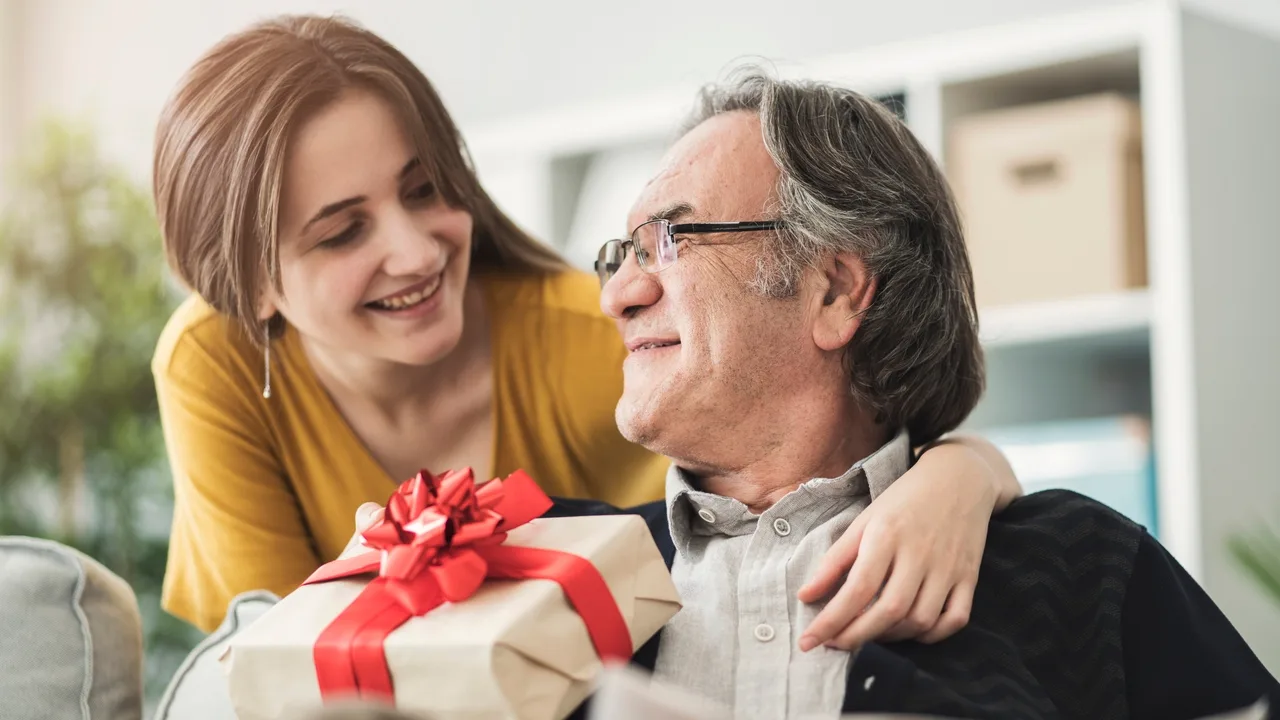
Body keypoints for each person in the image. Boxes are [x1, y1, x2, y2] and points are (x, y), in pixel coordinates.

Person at [149, 13, 1023, 640]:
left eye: (424, 190)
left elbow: (824, 441)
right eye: (343, 231)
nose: (414, 251)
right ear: (252, 284)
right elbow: (267, 659)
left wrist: (961, 469)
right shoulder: (213, 362)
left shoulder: (596, 332)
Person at [527, 69, 1277, 718]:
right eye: (618, 254)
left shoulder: (1081, 567)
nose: (617, 294)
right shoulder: (546, 566)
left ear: (835, 291)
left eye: (670, 241)